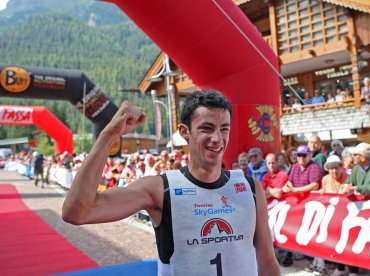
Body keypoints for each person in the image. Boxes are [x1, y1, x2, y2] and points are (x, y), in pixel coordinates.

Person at [62, 89, 280, 276]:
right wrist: (109, 134)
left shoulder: (249, 188)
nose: (217, 138)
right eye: (207, 128)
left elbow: (268, 264)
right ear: (185, 132)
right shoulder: (160, 188)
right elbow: (77, 212)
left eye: (224, 128)